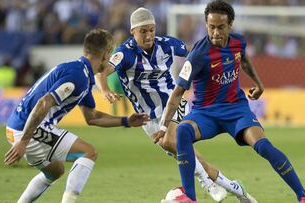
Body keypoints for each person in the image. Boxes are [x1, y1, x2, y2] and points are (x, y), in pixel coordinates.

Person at [152, 1, 305, 203]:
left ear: (230, 26)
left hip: (236, 110)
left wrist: (258, 83)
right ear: (206, 25)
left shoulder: (238, 43)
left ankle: (304, 196)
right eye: (211, 27)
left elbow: (243, 60)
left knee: (263, 146)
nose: (216, 32)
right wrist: (163, 125)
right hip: (206, 113)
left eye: (221, 27)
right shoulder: (197, 55)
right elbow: (177, 94)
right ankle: (190, 197)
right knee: (183, 130)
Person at [96, 7, 256, 203]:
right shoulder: (125, 53)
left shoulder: (167, 45)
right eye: (143, 31)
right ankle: (237, 189)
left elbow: (196, 52)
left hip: (173, 103)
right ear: (133, 32)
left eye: (151, 30)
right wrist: (104, 90)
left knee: (170, 142)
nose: (148, 36)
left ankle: (208, 185)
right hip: (148, 118)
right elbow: (101, 71)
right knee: (189, 157)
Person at [4, 29, 149, 203]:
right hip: (28, 130)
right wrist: (24, 142)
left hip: (16, 127)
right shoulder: (77, 75)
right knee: (88, 152)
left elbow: (92, 117)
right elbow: (44, 103)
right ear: (104, 55)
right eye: (110, 53)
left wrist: (126, 121)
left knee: (55, 171)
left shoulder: (83, 74)